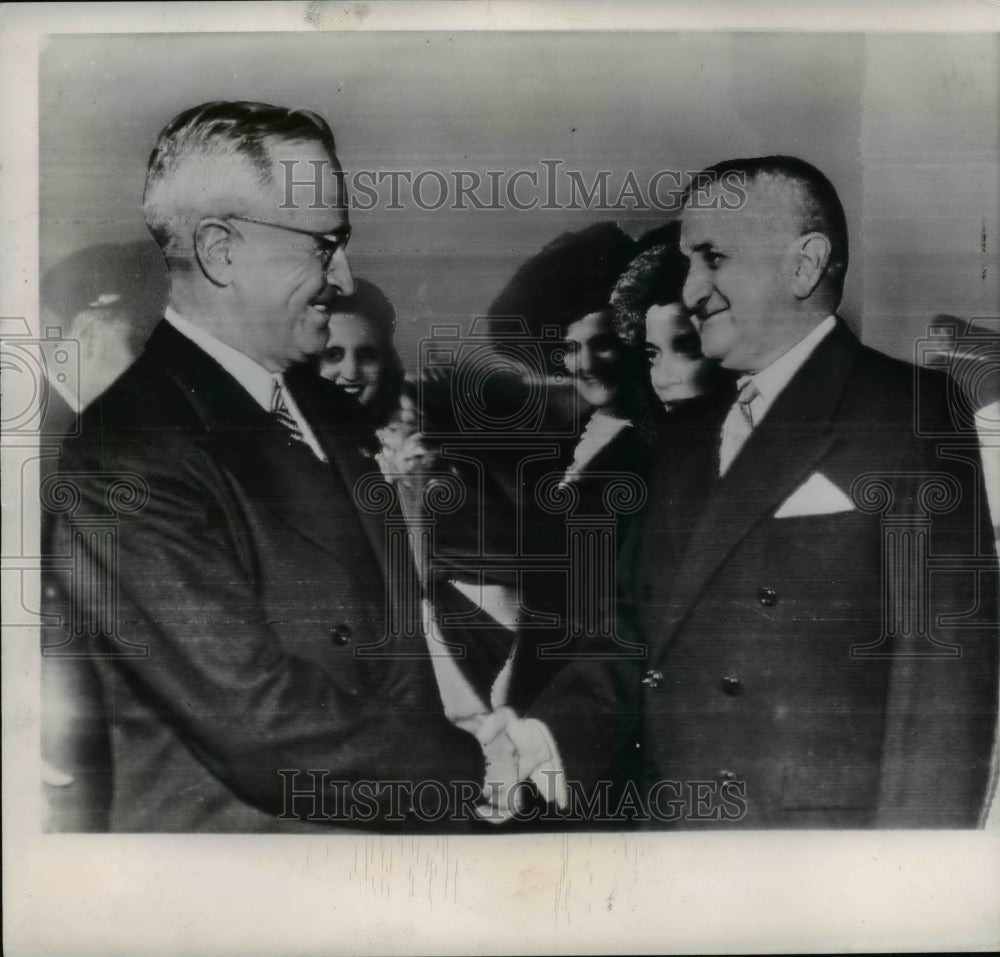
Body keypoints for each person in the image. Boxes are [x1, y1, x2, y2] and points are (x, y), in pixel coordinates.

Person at [480, 155, 999, 828]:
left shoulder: (910, 409)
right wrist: (547, 735)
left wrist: (903, 884)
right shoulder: (687, 434)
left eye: (713, 257)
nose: (692, 289)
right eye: (688, 262)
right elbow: (634, 637)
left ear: (804, 264)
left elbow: (942, 683)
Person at [42, 101, 486, 832]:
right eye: (325, 243)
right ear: (220, 250)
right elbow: (261, 726)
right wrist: (471, 765)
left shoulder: (331, 412)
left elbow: (397, 651)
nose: (343, 277)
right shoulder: (123, 450)